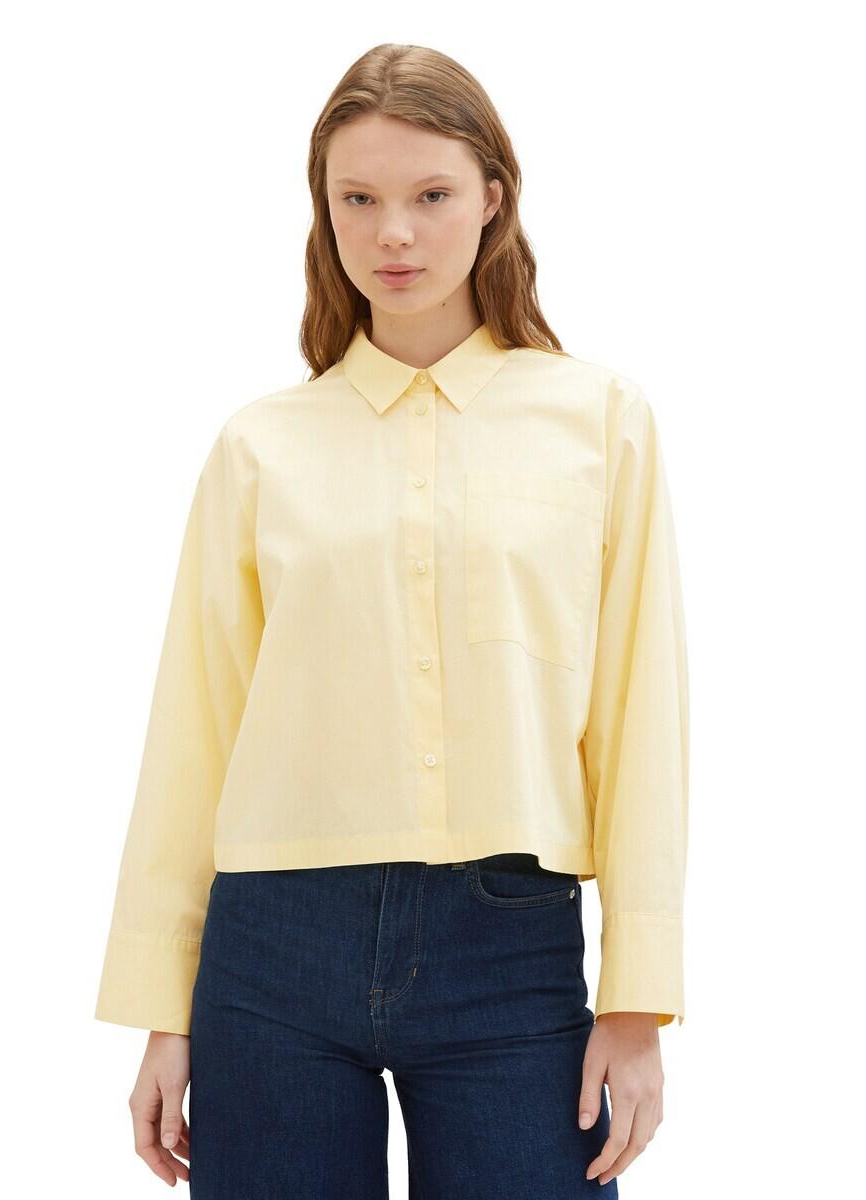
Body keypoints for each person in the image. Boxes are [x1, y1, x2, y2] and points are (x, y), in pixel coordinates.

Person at [94, 42, 689, 1199]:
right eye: (357, 200)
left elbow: (639, 714)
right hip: (270, 950)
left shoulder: (600, 421)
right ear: (324, 211)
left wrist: (638, 999)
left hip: (508, 945)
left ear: (494, 199)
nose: (394, 235)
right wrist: (164, 1011)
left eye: (432, 195)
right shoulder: (261, 445)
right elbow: (194, 735)